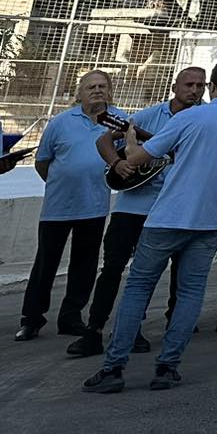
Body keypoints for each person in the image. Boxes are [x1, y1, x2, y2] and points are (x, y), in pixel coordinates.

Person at [81, 58, 217, 393]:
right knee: (190, 293)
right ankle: (167, 367)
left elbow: (137, 159)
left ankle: (114, 368)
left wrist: (132, 147)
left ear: (212, 86)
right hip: (212, 220)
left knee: (138, 287)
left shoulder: (190, 116)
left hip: (168, 216)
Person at [71, 63, 208, 359]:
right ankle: (93, 331)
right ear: (175, 87)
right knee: (112, 268)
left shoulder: (204, 119)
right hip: (132, 206)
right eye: (189, 85)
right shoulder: (151, 115)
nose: (194, 90)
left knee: (155, 273)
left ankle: (135, 330)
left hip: (173, 209)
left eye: (200, 85)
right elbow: (105, 138)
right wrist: (117, 163)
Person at [15, 68, 117, 342]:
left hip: (94, 207)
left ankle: (71, 318)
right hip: (58, 208)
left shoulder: (120, 122)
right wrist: (64, 183)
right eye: (90, 87)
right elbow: (42, 162)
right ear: (79, 94)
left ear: (110, 91)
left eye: (102, 86)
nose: (97, 90)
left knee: (84, 265)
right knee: (45, 264)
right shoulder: (60, 123)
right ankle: (31, 320)